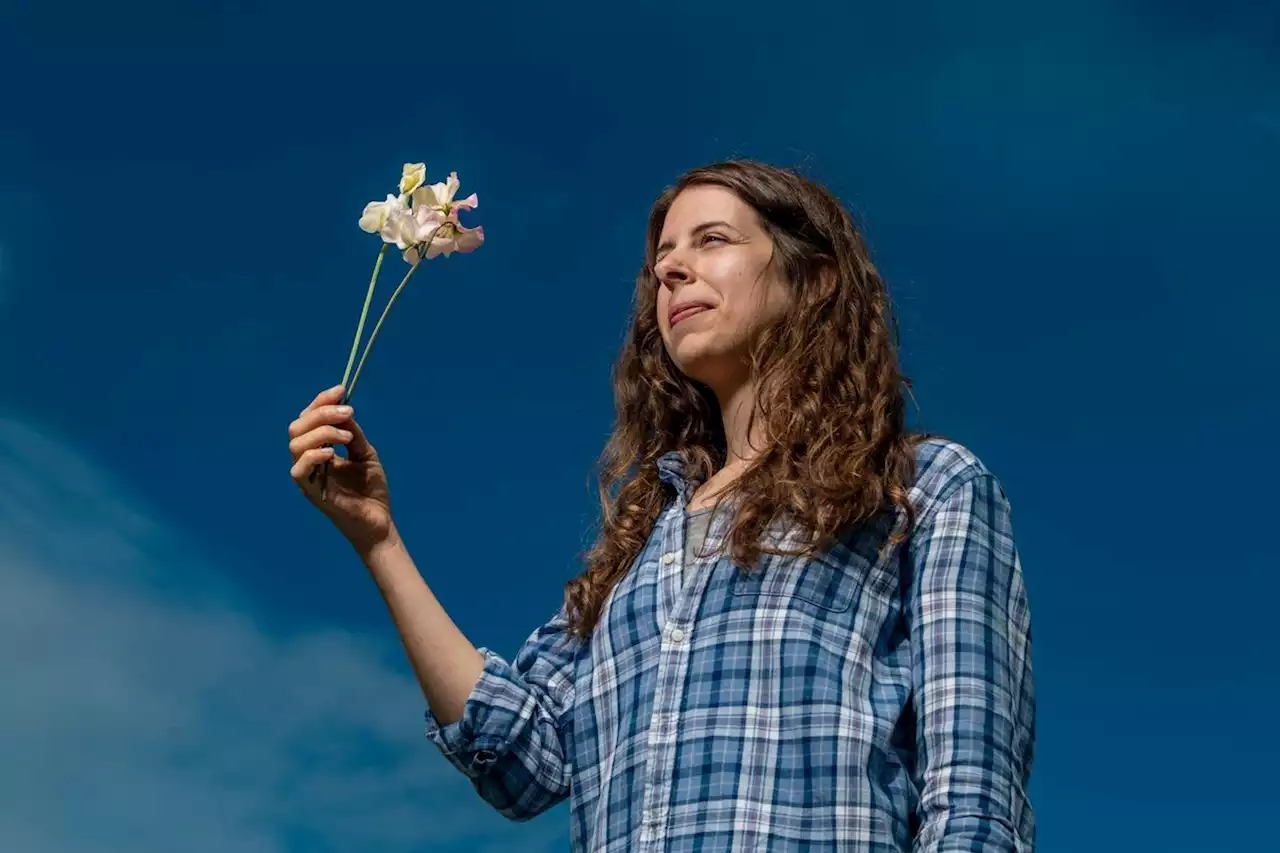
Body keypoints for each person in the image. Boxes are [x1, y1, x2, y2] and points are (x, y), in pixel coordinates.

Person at [288, 160, 1035, 852]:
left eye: (711, 240)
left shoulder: (920, 488)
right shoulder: (642, 539)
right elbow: (521, 758)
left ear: (816, 279)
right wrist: (379, 540)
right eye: (663, 260)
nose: (672, 269)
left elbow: (973, 802)